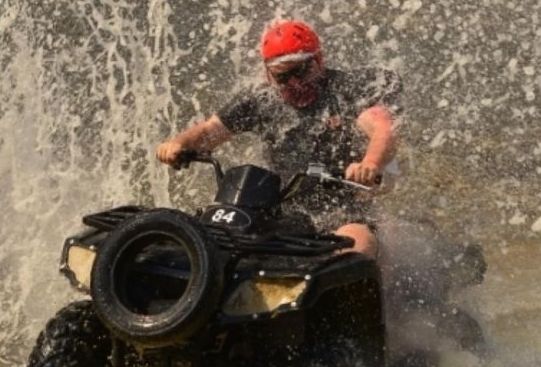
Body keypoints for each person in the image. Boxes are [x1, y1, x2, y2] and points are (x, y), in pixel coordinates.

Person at [156, 20, 401, 258]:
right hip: (279, 211)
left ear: (319, 61)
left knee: (356, 248)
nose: (294, 83)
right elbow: (209, 131)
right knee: (217, 240)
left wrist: (369, 164)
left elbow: (383, 128)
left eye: (301, 71)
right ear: (268, 74)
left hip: (343, 210)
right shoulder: (261, 101)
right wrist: (179, 144)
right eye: (283, 77)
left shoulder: (345, 90)